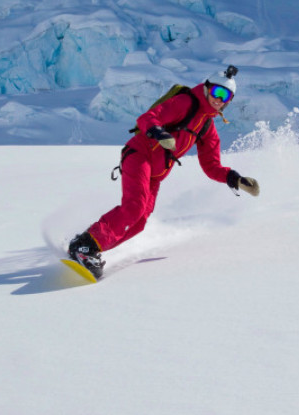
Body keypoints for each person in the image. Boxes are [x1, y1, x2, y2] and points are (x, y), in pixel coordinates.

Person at [68, 66, 260, 278]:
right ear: (206, 88)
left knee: (139, 222)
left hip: (156, 175)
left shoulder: (207, 127)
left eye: (226, 96)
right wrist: (159, 133)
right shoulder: (185, 102)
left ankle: (89, 247)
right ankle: (86, 246)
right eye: (217, 92)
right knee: (134, 207)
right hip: (139, 155)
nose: (219, 99)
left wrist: (235, 179)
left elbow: (211, 165)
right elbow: (148, 118)